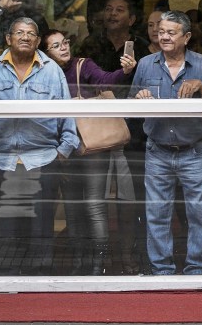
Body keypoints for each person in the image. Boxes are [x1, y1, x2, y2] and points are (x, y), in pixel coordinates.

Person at [0, 18, 80, 275]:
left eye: (31, 34)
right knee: (3, 224)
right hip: (0, 159)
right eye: (19, 33)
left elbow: (66, 111)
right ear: (8, 38)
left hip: (43, 158)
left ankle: (39, 276)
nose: (25, 37)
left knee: (41, 224)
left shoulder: (52, 70)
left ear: (38, 41)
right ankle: (4, 275)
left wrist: (64, 150)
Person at [130, 10, 202, 275]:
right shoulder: (146, 64)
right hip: (157, 149)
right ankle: (162, 271)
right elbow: (132, 100)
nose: (164, 37)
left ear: (187, 36)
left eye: (171, 32)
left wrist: (201, 87)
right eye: (160, 32)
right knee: (157, 214)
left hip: (195, 150)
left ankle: (198, 270)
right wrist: (140, 97)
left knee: (200, 214)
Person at [41, 30, 136, 275]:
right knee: (72, 207)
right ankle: (79, 262)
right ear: (45, 52)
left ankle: (99, 263)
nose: (63, 48)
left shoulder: (83, 65)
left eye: (65, 42)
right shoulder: (44, 73)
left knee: (94, 204)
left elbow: (105, 80)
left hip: (93, 145)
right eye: (55, 46)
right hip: (64, 148)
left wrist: (124, 72)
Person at [80, 0, 151, 88]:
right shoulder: (91, 43)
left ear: (131, 20)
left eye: (119, 10)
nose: (113, 13)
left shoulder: (141, 46)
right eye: (108, 9)